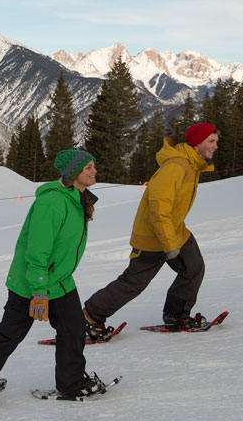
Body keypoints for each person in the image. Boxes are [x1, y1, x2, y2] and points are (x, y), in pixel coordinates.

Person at [0, 149, 109, 401]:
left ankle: (71, 383)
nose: (95, 171)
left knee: (73, 329)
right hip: (31, 281)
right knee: (12, 331)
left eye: (93, 166)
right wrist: (39, 290)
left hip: (60, 281)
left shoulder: (76, 198)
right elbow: (37, 249)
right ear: (74, 173)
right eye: (89, 168)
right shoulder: (52, 202)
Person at [82, 123, 219, 339]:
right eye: (211, 141)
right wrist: (169, 244)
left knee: (193, 268)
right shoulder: (176, 166)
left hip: (174, 231)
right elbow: (159, 206)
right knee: (133, 282)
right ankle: (90, 315)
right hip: (154, 235)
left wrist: (174, 238)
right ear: (197, 144)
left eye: (215, 141)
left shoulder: (191, 165)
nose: (215, 146)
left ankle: (176, 314)